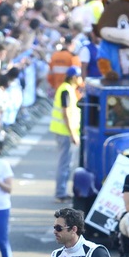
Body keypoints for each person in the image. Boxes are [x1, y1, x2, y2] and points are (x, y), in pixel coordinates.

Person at [52, 67, 83, 201]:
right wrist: (72, 134)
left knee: (67, 163)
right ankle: (60, 193)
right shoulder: (66, 90)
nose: (81, 79)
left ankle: (62, 191)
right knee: (65, 163)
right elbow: (66, 113)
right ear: (73, 77)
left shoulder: (69, 89)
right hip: (65, 132)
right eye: (79, 76)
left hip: (65, 131)